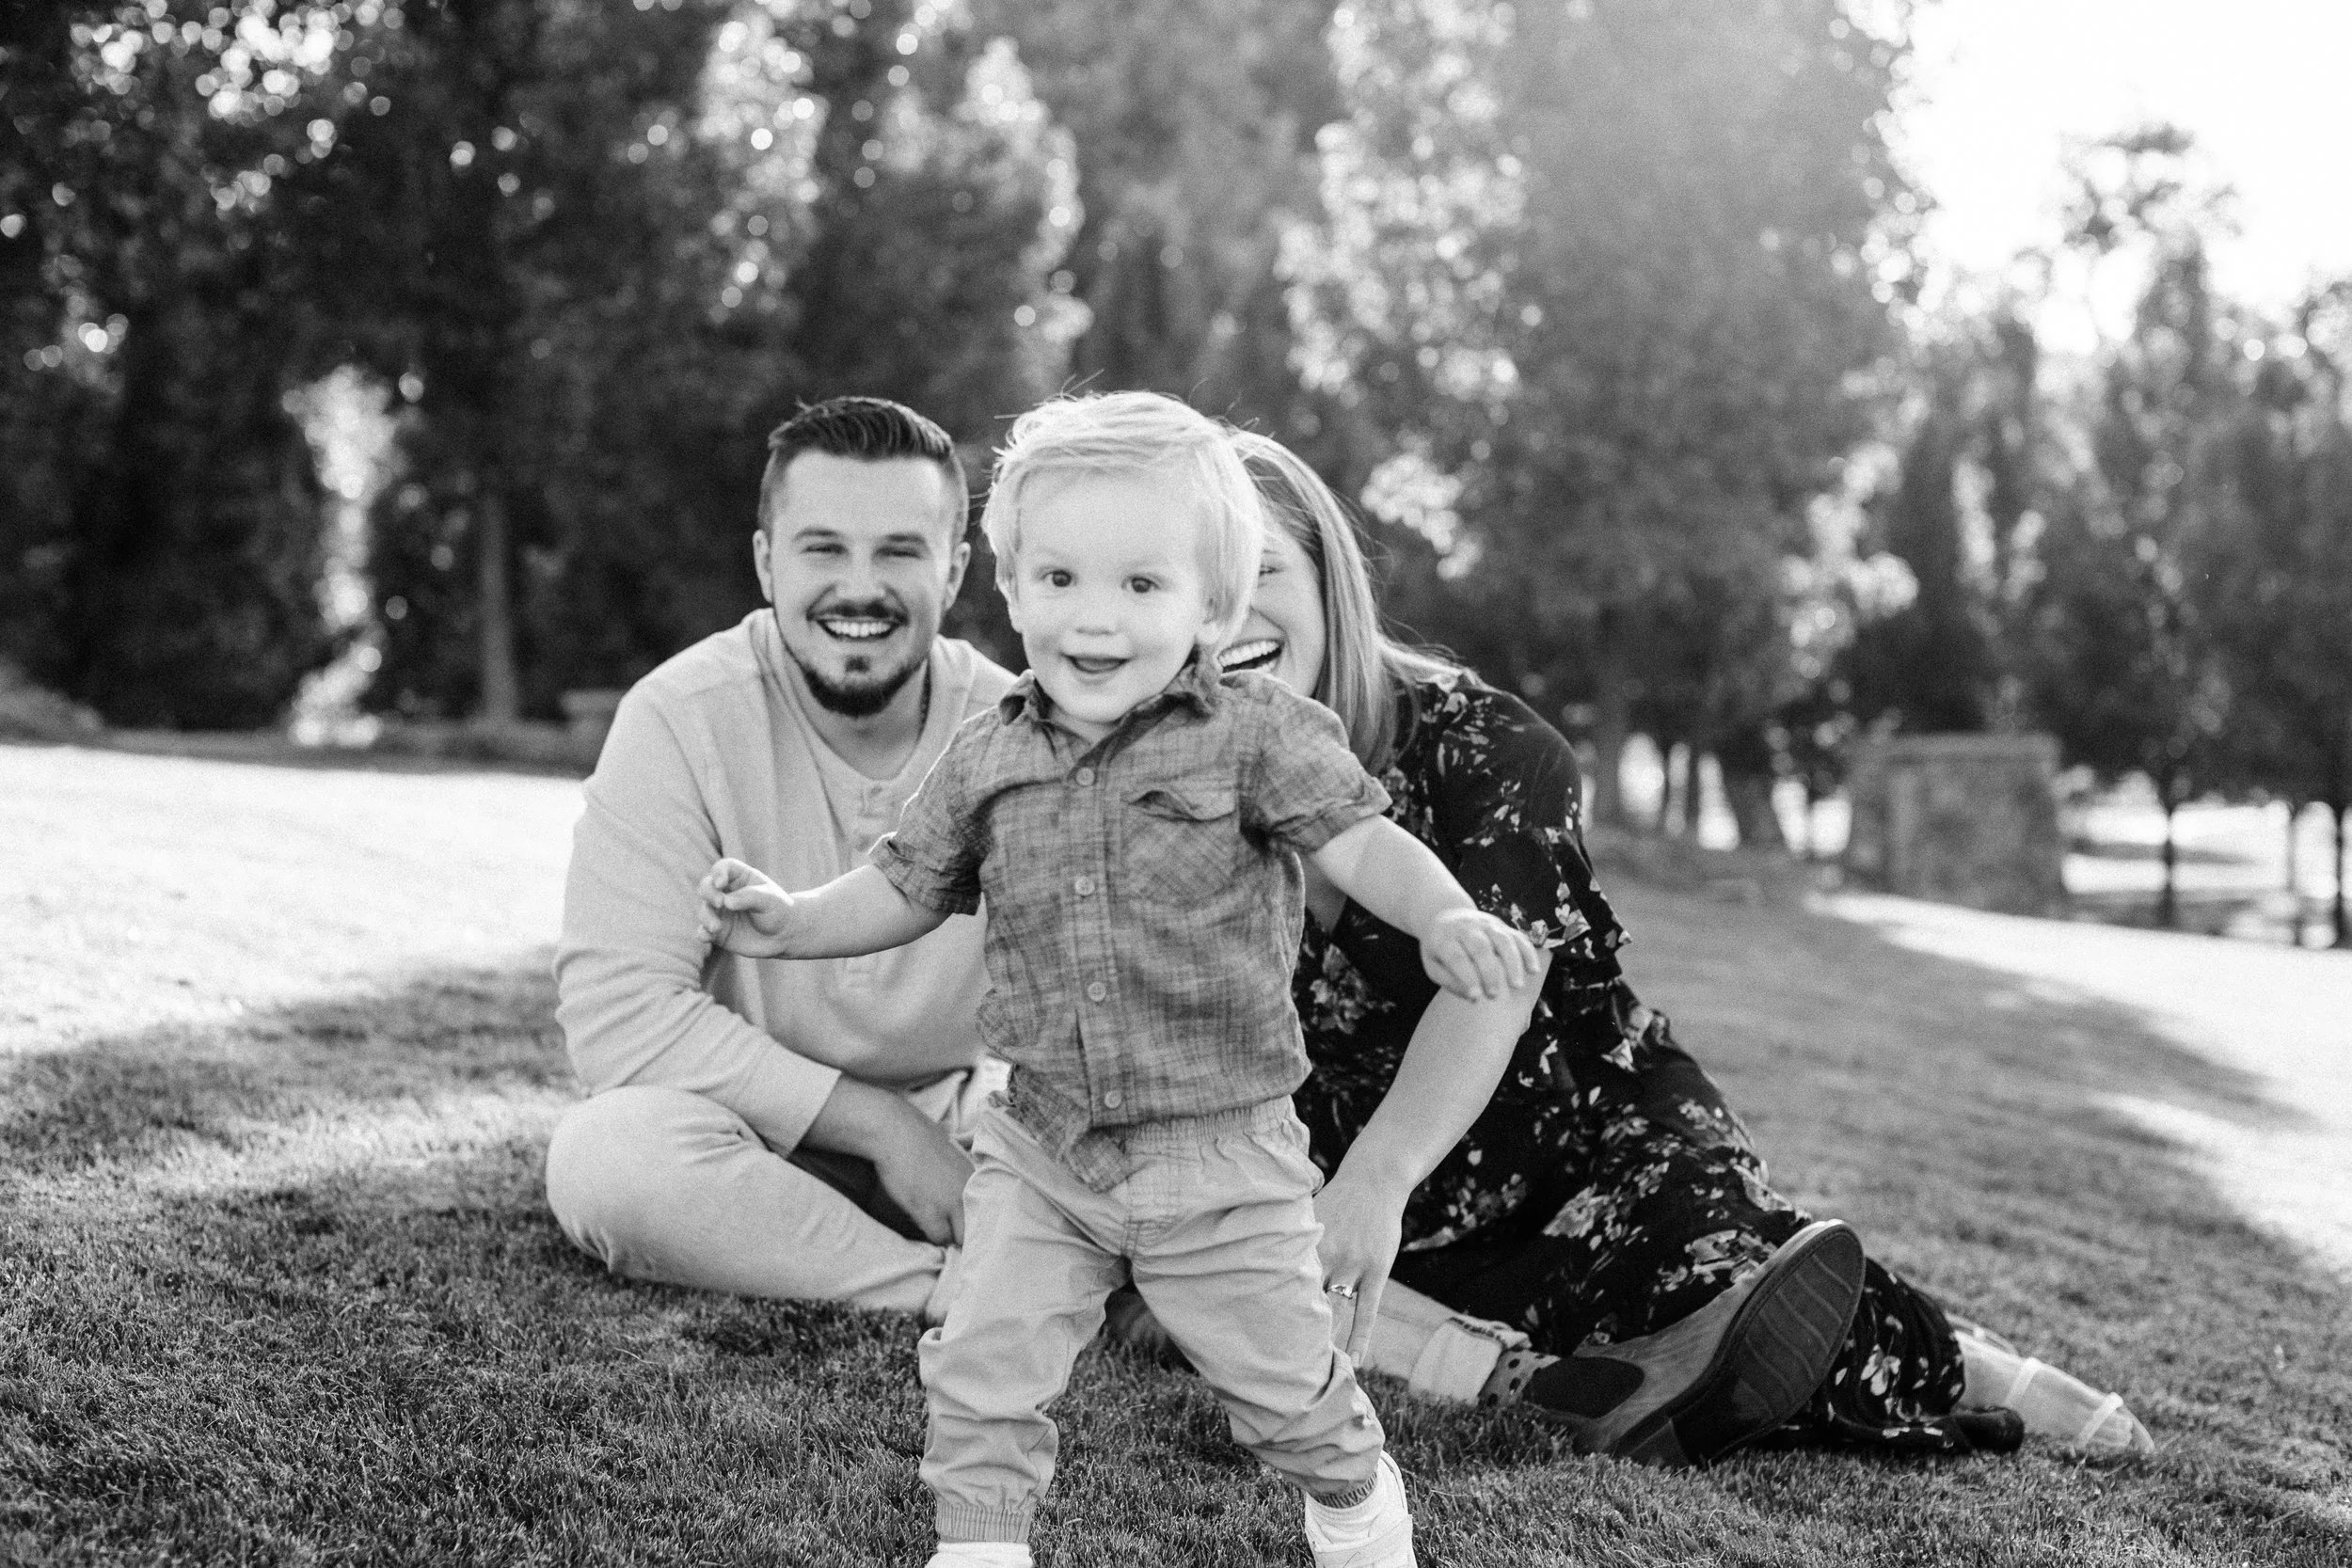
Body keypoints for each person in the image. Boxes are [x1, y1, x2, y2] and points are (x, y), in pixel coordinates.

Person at [1182, 428, 2159, 1463]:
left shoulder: (1485, 747)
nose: (1227, 620)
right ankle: (1537, 1364)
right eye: (1190, 590)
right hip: (1361, 1195)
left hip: (1579, 1137)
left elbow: (1494, 987)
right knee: (1192, 1271)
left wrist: (1374, 1180)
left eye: (1260, 573)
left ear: (1327, 574)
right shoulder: (1169, 783)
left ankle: (1949, 1358)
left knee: (1712, 1284)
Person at [697, 391, 1541, 1568]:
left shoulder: (1256, 733)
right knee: (984, 1354)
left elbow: (1356, 840)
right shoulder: (990, 751)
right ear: (1010, 584)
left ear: (1214, 606)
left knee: (1283, 1384)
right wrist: (787, 923)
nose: (1094, 619)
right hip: (1043, 1144)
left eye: (1141, 587)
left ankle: (1354, 1500)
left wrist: (1444, 913)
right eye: (1060, 581)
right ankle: (981, 1541)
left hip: (1222, 1151)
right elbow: (905, 882)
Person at [544, 396, 1015, 1323]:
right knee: (607, 1157)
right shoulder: (679, 716)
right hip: (752, 1132)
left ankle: (1039, 1263)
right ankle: (940, 1291)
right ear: (767, 562)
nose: (860, 585)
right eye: (823, 548)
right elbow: (619, 1020)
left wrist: (967, 1129)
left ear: (954, 570)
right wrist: (877, 1125)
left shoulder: (1018, 734)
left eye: (899, 551)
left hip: (968, 1127)